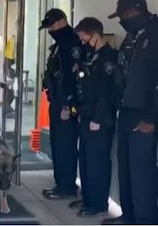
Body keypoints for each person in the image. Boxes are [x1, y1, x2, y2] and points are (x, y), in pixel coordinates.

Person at [103, 0, 158, 224]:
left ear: (135, 10)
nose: (122, 21)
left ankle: (145, 220)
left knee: (142, 173)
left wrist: (153, 120)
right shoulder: (131, 36)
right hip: (125, 112)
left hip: (145, 115)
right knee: (125, 169)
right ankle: (129, 216)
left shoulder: (155, 34)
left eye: (123, 15)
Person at [72, 17, 117, 217]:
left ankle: (98, 204)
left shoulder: (108, 58)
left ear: (95, 35)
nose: (83, 44)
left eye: (84, 39)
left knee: (98, 162)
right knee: (87, 161)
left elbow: (107, 93)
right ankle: (88, 199)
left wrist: (98, 118)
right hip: (87, 114)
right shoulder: (91, 57)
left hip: (100, 119)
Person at [39, 8, 82, 200]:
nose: (50, 30)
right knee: (57, 144)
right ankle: (61, 183)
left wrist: (69, 105)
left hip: (66, 103)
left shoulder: (71, 43)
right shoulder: (59, 45)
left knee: (65, 145)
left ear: (62, 22)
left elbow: (72, 80)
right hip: (56, 101)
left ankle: (67, 186)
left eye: (51, 25)